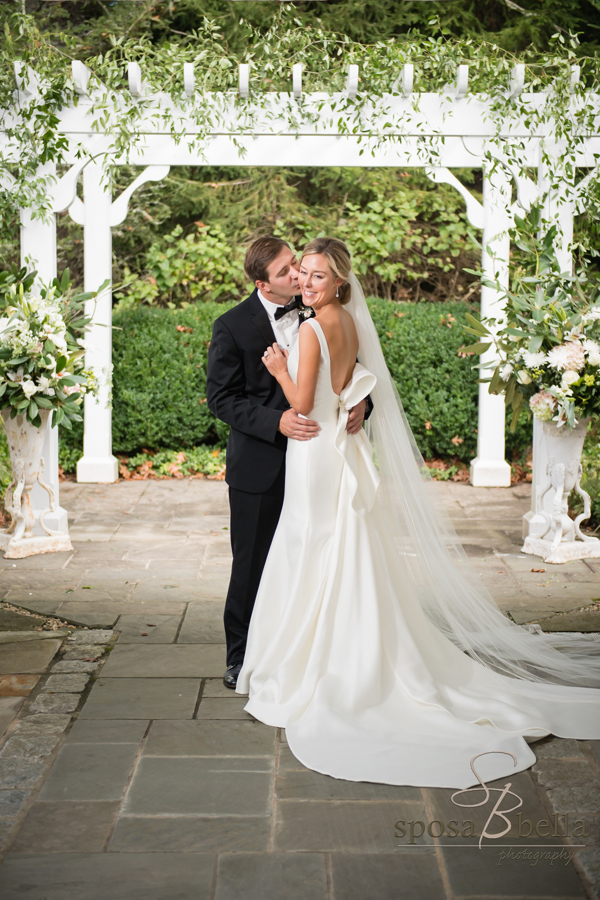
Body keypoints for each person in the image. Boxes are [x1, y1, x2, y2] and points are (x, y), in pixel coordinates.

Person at [236, 236, 600, 789]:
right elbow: (350, 385)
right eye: (302, 274)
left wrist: (280, 367)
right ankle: (340, 648)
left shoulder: (310, 329)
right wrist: (346, 399)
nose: (306, 282)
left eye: (316, 275)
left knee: (312, 544)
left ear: (339, 281)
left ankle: (313, 663)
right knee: (336, 543)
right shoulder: (347, 322)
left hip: (315, 450)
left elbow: (303, 404)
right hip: (340, 449)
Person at [206, 236, 368, 689]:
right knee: (253, 565)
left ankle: (306, 652)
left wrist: (362, 404)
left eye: (297, 265)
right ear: (263, 283)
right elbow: (221, 400)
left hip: (317, 460)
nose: (297, 275)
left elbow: (356, 371)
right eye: (286, 272)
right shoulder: (232, 325)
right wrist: (274, 422)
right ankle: (241, 657)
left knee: (314, 557)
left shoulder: (322, 313)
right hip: (260, 466)